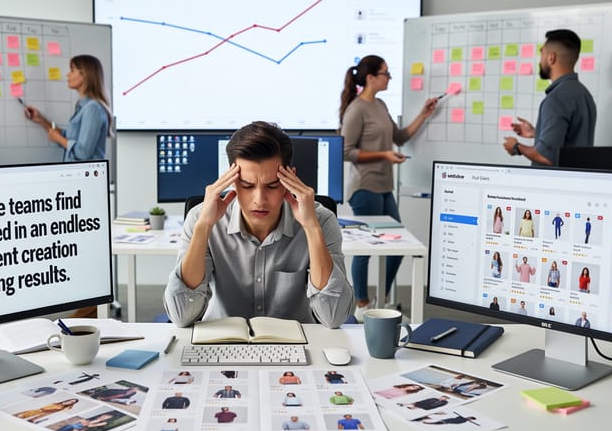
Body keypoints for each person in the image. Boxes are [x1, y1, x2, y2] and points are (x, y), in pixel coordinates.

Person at [164, 121, 353, 328]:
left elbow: (333, 317)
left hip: (298, 346)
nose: (259, 200)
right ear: (232, 179)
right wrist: (203, 228)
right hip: (221, 342)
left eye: (272, 185)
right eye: (247, 185)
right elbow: (181, 315)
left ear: (290, 178)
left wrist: (311, 228)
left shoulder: (321, 220)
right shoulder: (200, 218)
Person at [339, 55, 438, 320]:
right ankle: (362, 305)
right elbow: (345, 151)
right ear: (370, 78)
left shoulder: (380, 105)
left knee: (398, 248)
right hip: (365, 187)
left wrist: (424, 114)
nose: (389, 77)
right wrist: (384, 155)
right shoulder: (356, 109)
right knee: (367, 248)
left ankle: (378, 303)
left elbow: (400, 137)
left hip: (384, 186)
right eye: (385, 73)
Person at [502, 29, 596, 166]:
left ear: (551, 58)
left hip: (556, 184)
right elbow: (570, 141)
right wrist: (537, 133)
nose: (540, 61)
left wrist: (516, 147)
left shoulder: (556, 98)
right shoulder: (584, 94)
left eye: (542, 54)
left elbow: (547, 157)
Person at [23, 54, 112, 162]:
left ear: (84, 75)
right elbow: (69, 138)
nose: (68, 74)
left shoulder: (93, 108)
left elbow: (83, 153)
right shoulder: (82, 106)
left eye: (72, 70)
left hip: (87, 176)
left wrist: (58, 139)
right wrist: (41, 120)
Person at [13, 398, 78, 423]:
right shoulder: (59, 402)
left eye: (72, 402)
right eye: (71, 400)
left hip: (45, 412)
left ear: (72, 403)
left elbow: (64, 410)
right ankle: (18, 416)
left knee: (31, 416)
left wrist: (70, 406)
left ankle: (21, 417)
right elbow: (48, 405)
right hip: (41, 409)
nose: (70, 401)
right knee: (28, 412)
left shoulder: (66, 407)